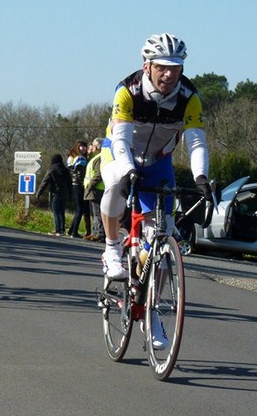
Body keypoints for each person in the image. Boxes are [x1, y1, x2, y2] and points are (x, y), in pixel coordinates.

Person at [99, 33, 211, 348]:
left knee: (162, 240)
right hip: (120, 154)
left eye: (175, 68)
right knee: (114, 185)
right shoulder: (128, 90)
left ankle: (152, 312)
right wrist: (128, 170)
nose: (168, 74)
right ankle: (111, 248)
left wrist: (201, 178)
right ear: (146, 65)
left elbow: (196, 141)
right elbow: (120, 139)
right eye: (162, 67)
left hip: (159, 162)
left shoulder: (189, 97)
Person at [36, 154, 72, 236]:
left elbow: (45, 182)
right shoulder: (66, 170)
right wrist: (70, 194)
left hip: (55, 193)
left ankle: (57, 230)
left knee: (55, 212)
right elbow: (69, 183)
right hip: (64, 193)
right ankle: (62, 229)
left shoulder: (52, 169)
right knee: (62, 212)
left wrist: (39, 193)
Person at [66, 141, 91, 238]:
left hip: (73, 184)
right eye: (82, 146)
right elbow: (79, 173)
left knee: (78, 208)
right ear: (77, 147)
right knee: (80, 209)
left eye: (85, 147)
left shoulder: (71, 157)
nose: (84, 148)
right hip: (79, 185)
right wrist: (83, 184)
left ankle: (71, 230)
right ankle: (74, 231)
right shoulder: (80, 158)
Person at [83, 137, 105, 242]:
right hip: (94, 189)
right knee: (95, 213)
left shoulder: (99, 158)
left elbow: (98, 174)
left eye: (93, 145)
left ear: (96, 147)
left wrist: (90, 185)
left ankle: (99, 234)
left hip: (96, 189)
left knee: (97, 213)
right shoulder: (96, 157)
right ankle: (94, 232)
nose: (91, 147)